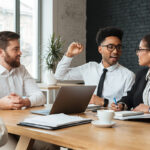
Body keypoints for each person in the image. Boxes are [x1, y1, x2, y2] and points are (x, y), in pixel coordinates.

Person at [0, 31, 59, 150]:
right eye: (15, 49)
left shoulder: (21, 69)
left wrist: (24, 102)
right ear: (1, 52)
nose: (20, 53)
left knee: (50, 146)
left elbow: (40, 96)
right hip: (2, 129)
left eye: (19, 49)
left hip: (22, 125)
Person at [55, 27, 135, 106]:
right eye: (110, 47)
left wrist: (104, 102)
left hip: (113, 117)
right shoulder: (89, 68)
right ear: (100, 49)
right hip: (88, 115)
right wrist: (69, 55)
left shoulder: (128, 76)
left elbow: (128, 105)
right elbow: (59, 75)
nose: (115, 51)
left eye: (119, 47)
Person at [111, 33, 150, 113]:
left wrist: (148, 109)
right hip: (140, 123)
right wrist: (121, 105)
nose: (137, 53)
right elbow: (131, 96)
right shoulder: (141, 74)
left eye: (140, 49)